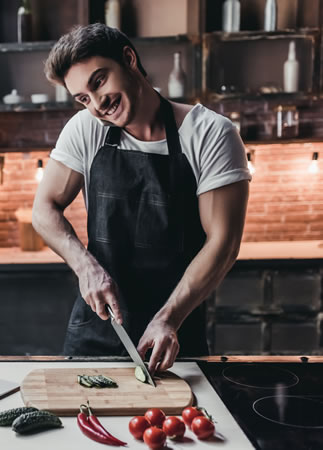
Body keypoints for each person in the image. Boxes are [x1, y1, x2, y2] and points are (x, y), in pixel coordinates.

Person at [32, 23, 250, 372]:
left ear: (129, 59)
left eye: (99, 81)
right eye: (83, 98)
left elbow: (223, 242)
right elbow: (44, 209)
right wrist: (85, 267)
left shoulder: (210, 134)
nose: (97, 105)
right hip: (97, 329)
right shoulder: (85, 129)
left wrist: (168, 318)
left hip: (175, 333)